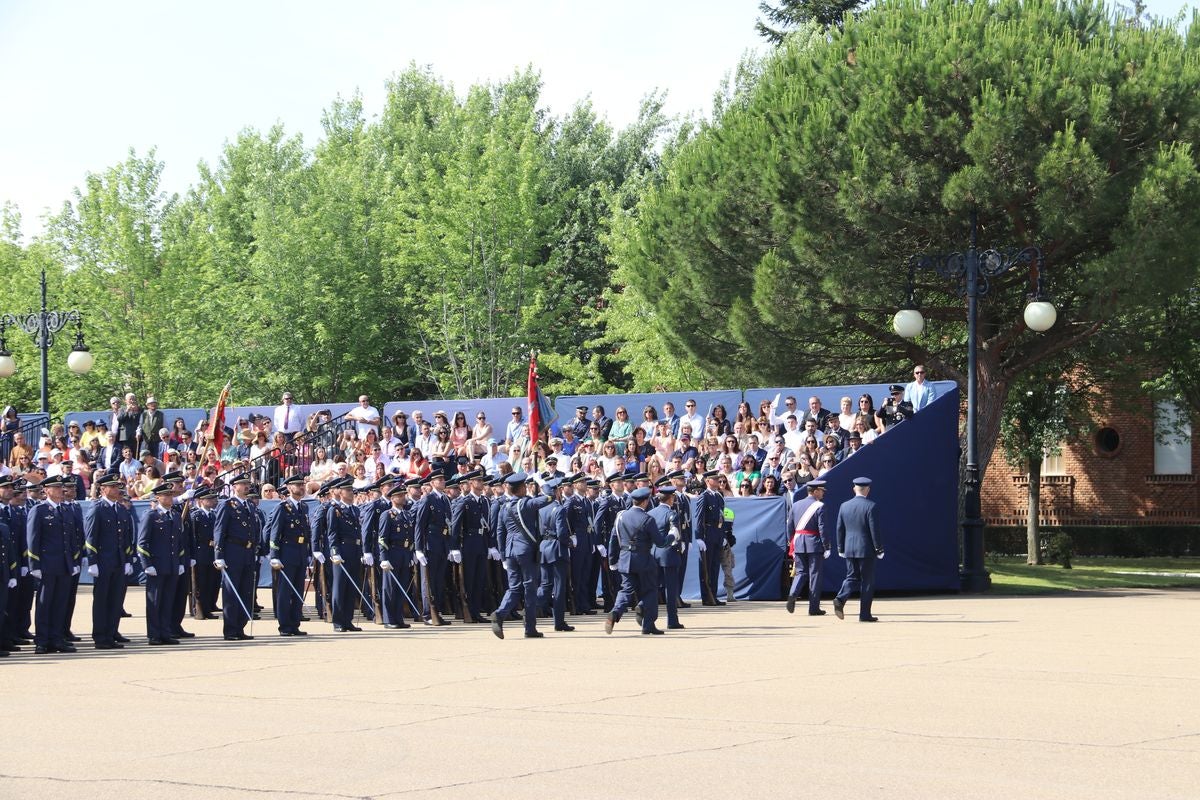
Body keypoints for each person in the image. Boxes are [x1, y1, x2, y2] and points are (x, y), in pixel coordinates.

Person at [604, 486, 677, 635]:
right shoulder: (647, 519)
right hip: (643, 559)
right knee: (650, 590)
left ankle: (615, 612)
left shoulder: (621, 516)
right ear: (645, 502)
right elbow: (660, 543)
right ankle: (648, 624)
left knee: (626, 590)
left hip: (625, 559)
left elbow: (613, 539)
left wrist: (612, 560)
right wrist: (672, 535)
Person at [491, 471, 554, 640]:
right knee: (530, 588)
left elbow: (500, 532)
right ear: (521, 489)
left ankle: (500, 614)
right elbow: (550, 497)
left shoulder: (504, 507)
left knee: (514, 588)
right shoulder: (526, 504)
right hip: (526, 550)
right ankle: (529, 627)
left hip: (510, 551)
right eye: (524, 486)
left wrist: (503, 555)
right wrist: (541, 482)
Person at [26, 476, 80, 654]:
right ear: (46, 490)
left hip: (64, 565)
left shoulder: (66, 510)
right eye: (56, 487)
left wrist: (74, 561)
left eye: (61, 487)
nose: (60, 490)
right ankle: (42, 641)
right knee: (44, 603)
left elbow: (71, 539)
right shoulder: (39, 510)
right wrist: (34, 565)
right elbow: (33, 540)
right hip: (47, 565)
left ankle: (57, 639)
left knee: (60, 603)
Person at [138, 482, 185, 645]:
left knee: (167, 601)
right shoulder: (151, 516)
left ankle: (165, 632)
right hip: (156, 566)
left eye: (171, 495)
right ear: (158, 497)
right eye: (166, 495)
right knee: (155, 602)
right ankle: (154, 634)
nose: (170, 498)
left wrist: (180, 562)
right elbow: (142, 543)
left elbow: (178, 542)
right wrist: (147, 564)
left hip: (171, 565)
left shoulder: (175, 516)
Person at [214, 475, 260, 641]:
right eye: (243, 484)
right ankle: (231, 630)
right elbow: (219, 530)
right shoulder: (227, 505)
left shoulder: (249, 505)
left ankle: (240, 627)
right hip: (233, 552)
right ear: (234, 487)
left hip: (247, 553)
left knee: (246, 591)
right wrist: (218, 554)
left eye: (248, 484)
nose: (247, 486)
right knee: (231, 593)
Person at [834, 477, 884, 622]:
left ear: (854, 489)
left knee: (851, 577)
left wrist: (840, 547)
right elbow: (874, 530)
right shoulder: (871, 506)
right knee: (867, 581)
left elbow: (839, 529)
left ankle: (840, 598)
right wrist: (879, 548)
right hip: (866, 548)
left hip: (849, 548)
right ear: (868, 490)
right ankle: (864, 614)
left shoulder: (844, 506)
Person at [267, 475, 311, 637]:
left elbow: (306, 532)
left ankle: (295, 623)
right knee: (285, 592)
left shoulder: (304, 507)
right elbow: (275, 533)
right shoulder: (282, 507)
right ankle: (285, 625)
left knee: (298, 590)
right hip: (287, 553)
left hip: (300, 553)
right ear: (289, 488)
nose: (301, 487)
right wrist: (274, 555)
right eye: (298, 485)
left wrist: (308, 553)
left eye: (302, 484)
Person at [785, 479, 829, 616]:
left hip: (798, 543)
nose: (823, 493)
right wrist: (826, 546)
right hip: (814, 543)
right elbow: (822, 528)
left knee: (800, 573)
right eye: (821, 491)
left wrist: (792, 542)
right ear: (815, 492)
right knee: (815, 575)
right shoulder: (820, 506)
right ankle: (813, 607)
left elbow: (789, 527)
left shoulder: (796, 505)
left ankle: (792, 594)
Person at [414, 472, 454, 625]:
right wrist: (419, 548)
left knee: (438, 581)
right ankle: (428, 614)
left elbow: (448, 524)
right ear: (432, 483)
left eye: (443, 479)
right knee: (428, 581)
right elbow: (420, 525)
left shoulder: (445, 499)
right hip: (430, 544)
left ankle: (436, 612)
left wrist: (450, 546)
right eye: (440, 480)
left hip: (442, 544)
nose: (443, 481)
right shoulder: (428, 499)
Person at [451, 469, 490, 623]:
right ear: (471, 483)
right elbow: (455, 526)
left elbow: (488, 526)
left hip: (481, 542)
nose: (481, 483)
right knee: (469, 579)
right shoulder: (465, 502)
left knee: (480, 579)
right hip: (469, 543)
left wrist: (490, 545)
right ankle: (468, 611)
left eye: (482, 480)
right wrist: (454, 547)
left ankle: (476, 611)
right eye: (478, 481)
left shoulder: (484, 501)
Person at [535, 477, 573, 632]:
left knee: (545, 585)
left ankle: (530, 610)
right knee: (559, 587)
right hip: (557, 549)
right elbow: (562, 533)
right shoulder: (559, 509)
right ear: (556, 491)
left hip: (544, 547)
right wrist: (570, 542)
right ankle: (559, 622)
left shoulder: (541, 508)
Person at [648, 483, 687, 630]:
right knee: (670, 590)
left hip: (653, 554)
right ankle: (672, 620)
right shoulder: (672, 514)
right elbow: (674, 534)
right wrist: (679, 544)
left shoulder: (651, 513)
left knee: (653, 587)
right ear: (670, 498)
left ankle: (646, 614)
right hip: (668, 554)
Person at [376, 481, 415, 628]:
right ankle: (389, 619)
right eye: (400, 495)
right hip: (392, 554)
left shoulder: (407, 515)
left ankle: (398, 618)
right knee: (390, 588)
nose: (403, 497)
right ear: (392, 498)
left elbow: (410, 536)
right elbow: (382, 538)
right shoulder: (387, 515)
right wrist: (384, 558)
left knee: (401, 587)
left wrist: (411, 554)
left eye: (404, 495)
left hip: (404, 554)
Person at [693, 470, 725, 605]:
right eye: (715, 479)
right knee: (706, 566)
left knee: (715, 566)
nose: (718, 481)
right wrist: (699, 537)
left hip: (717, 533)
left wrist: (723, 534)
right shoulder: (704, 496)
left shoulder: (718, 496)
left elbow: (722, 516)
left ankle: (714, 595)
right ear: (707, 481)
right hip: (708, 534)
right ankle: (707, 597)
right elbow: (699, 517)